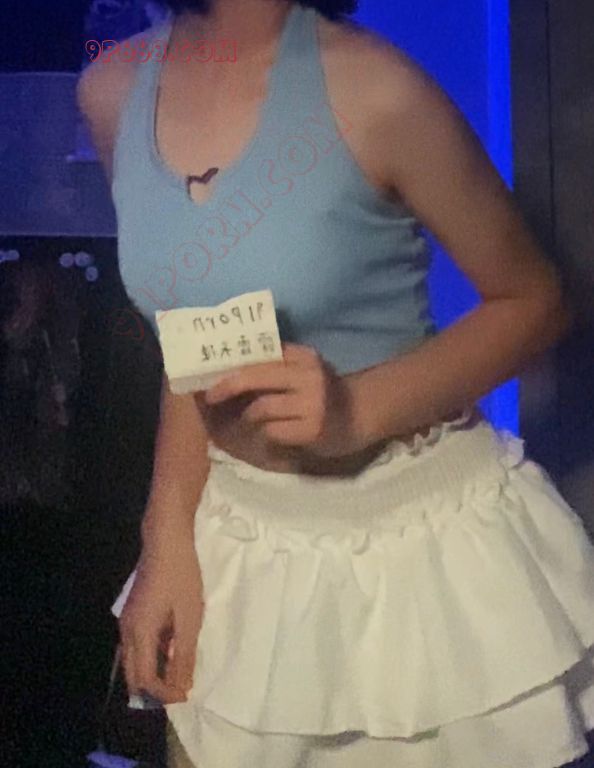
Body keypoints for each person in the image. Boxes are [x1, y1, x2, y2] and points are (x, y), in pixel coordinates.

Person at [77, 1, 594, 766]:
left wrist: (357, 408)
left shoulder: (376, 88)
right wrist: (166, 541)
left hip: (422, 563)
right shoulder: (112, 89)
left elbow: (535, 301)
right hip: (242, 555)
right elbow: (187, 340)